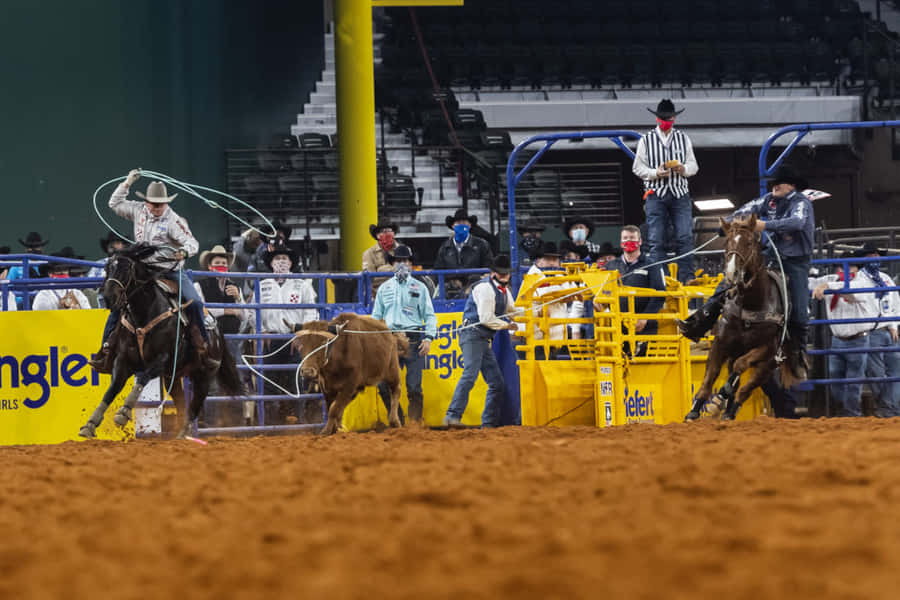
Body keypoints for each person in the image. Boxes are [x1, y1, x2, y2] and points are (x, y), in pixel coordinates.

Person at [676, 164, 814, 379]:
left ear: (792, 186)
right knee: (730, 280)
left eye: (780, 183)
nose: (775, 186)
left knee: (799, 310)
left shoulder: (800, 203)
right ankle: (700, 321)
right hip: (769, 256)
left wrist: (764, 225)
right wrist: (727, 225)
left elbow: (796, 223)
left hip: (794, 261)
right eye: (774, 183)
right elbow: (742, 212)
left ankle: (797, 353)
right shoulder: (766, 200)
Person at [89, 169, 215, 372]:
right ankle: (106, 349)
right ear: (147, 202)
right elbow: (114, 203)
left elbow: (192, 242)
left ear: (166, 203)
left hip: (169, 269)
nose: (157, 207)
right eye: (154, 203)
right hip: (143, 270)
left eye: (161, 203)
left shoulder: (174, 221)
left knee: (195, 302)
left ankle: (203, 347)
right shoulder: (138, 210)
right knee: (120, 303)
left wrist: (183, 251)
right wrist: (127, 182)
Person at [443, 254, 522, 428]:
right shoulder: (485, 289)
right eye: (501, 273)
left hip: (481, 338)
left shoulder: (504, 291)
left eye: (506, 273)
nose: (504, 276)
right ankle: (452, 416)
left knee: (496, 383)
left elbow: (513, 310)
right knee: (470, 375)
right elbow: (486, 318)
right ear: (493, 273)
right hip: (472, 334)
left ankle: (487, 423)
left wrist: (533, 311)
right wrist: (507, 326)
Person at [632, 99, 699, 284]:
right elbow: (637, 168)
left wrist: (683, 169)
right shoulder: (646, 140)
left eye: (668, 118)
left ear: (674, 118)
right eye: (662, 118)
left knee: (684, 236)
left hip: (680, 193)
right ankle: (659, 279)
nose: (665, 121)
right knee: (656, 239)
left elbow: (694, 166)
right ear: (657, 118)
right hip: (656, 193)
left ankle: (687, 278)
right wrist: (655, 173)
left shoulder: (683, 138)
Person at [372, 245, 437, 423]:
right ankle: (397, 419)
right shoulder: (384, 289)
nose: (402, 264)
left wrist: (429, 338)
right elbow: (376, 317)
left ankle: (415, 424)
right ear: (393, 264)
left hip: (414, 338)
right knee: (384, 385)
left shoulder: (420, 287)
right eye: (398, 261)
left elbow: (429, 315)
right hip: (390, 339)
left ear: (410, 264)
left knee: (414, 386)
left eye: (405, 261)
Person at [255, 241, 317, 424]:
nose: (281, 261)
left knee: (295, 378)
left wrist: (301, 332)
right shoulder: (262, 285)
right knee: (269, 380)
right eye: (277, 258)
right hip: (270, 338)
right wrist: (261, 331)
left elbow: (311, 310)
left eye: (284, 258)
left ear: (291, 263)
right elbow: (252, 311)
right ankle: (271, 421)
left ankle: (298, 418)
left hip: (294, 339)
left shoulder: (302, 284)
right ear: (271, 262)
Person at [809, 252, 875, 417]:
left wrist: (827, 286)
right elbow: (809, 283)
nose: (843, 269)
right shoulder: (832, 280)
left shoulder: (863, 282)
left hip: (858, 339)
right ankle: (843, 411)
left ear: (856, 268)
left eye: (849, 265)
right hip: (837, 340)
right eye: (840, 266)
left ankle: (851, 415)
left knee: (853, 383)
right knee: (835, 381)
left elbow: (852, 293)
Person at [602, 225, 666, 357]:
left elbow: (660, 294)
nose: (628, 241)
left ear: (640, 241)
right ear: (620, 242)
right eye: (625, 238)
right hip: (618, 327)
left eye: (632, 238)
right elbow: (602, 291)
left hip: (645, 327)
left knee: (644, 368)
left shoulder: (652, 264)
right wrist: (600, 304)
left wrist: (644, 318)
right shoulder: (611, 266)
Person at [853, 243, 900, 417]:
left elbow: (896, 303)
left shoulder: (886, 278)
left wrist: (894, 325)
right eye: (870, 255)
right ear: (863, 259)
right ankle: (891, 410)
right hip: (871, 332)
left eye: (877, 255)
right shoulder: (858, 280)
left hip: (889, 331)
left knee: (896, 372)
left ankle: (889, 410)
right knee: (877, 374)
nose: (875, 258)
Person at [526, 241, 584, 355]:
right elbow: (543, 295)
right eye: (548, 259)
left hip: (557, 334)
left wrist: (572, 295)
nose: (552, 263)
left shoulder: (560, 276)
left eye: (555, 259)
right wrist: (566, 296)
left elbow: (573, 291)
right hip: (538, 335)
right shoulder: (531, 277)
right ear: (538, 261)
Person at [433, 208, 493, 299]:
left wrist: (475, 281)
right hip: (450, 290)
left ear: (469, 225)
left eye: (464, 222)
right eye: (458, 223)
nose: (461, 225)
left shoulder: (482, 245)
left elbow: (488, 267)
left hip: (476, 288)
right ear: (453, 225)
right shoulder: (445, 247)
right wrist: (452, 281)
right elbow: (438, 270)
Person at [7, 231, 49, 309]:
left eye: (36, 247)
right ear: (26, 248)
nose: (33, 249)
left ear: (41, 248)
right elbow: (8, 288)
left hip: (44, 303)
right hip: (21, 306)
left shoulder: (47, 265)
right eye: (30, 247)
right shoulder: (16, 267)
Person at [362, 219, 400, 295]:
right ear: (377, 235)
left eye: (389, 230)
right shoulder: (368, 253)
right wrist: (393, 270)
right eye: (383, 231)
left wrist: (381, 270)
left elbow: (408, 274)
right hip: (378, 295)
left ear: (394, 233)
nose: (387, 234)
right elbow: (369, 279)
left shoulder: (404, 250)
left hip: (401, 293)